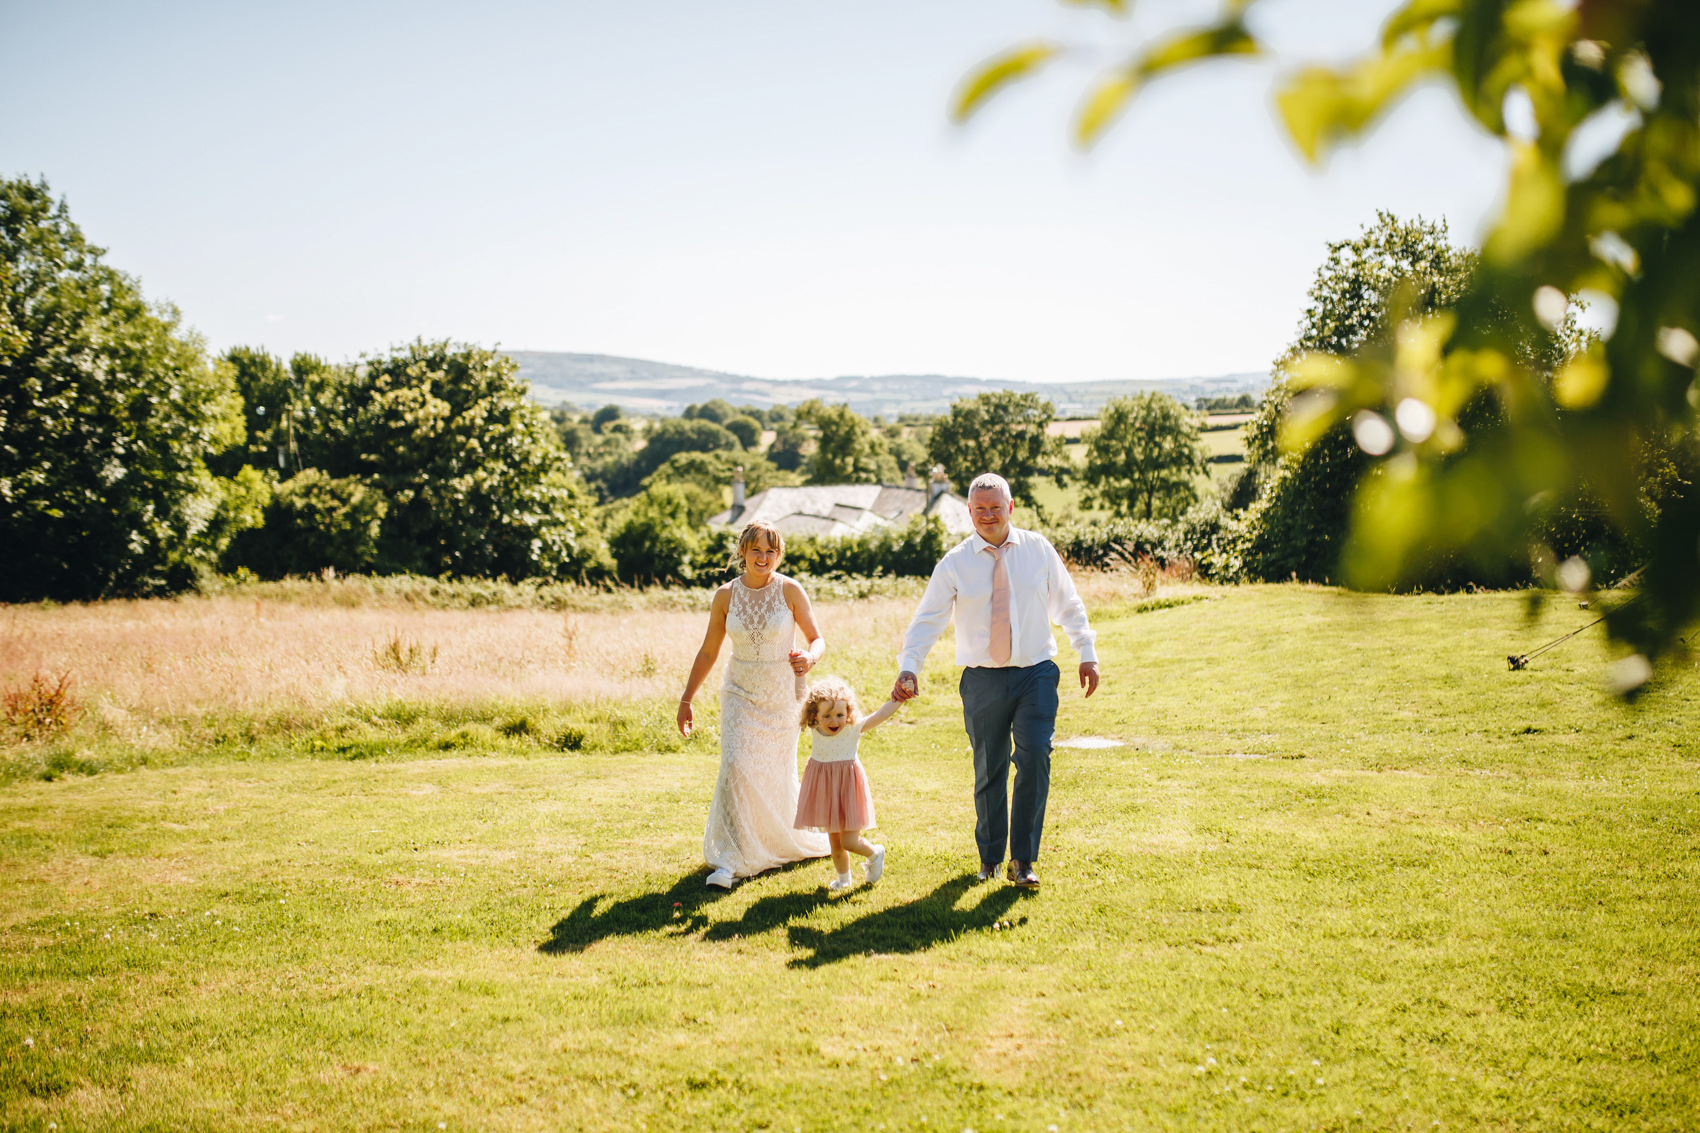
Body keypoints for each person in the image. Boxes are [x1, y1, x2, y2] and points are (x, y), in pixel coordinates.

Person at [891, 472, 1099, 889]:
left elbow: (1068, 603)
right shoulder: (954, 563)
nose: (988, 515)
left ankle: (1022, 861)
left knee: (1035, 757)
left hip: (1036, 673)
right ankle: (989, 858)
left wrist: (1086, 652)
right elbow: (927, 621)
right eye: (980, 508)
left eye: (996, 507)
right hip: (982, 680)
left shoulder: (1038, 549)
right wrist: (909, 665)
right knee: (990, 769)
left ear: (1011, 507)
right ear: (969, 511)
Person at [678, 521, 830, 888]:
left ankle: (774, 841)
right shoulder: (725, 596)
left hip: (782, 696)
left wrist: (809, 659)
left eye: (771, 551)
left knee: (774, 773)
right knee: (734, 766)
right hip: (739, 692)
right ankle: (730, 860)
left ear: (778, 555)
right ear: (742, 551)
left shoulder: (791, 590)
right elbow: (710, 650)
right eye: (757, 550)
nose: (764, 558)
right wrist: (687, 699)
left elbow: (817, 638)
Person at [793, 676, 899, 891]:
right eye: (827, 716)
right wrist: (799, 673)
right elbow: (801, 695)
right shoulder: (815, 727)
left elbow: (880, 715)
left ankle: (875, 853)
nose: (834, 721)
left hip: (847, 789)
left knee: (849, 841)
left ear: (848, 713)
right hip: (824, 789)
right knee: (835, 843)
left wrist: (898, 699)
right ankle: (844, 879)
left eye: (840, 715)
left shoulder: (853, 728)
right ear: (815, 715)